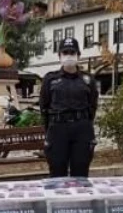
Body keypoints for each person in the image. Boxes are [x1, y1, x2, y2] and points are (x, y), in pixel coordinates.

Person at [39, 37, 99, 178]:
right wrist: (50, 129)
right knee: (57, 172)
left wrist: (84, 124)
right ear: (59, 56)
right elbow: (44, 106)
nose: (69, 56)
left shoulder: (88, 80)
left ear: (78, 55)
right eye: (65, 53)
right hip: (58, 129)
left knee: (81, 172)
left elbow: (93, 106)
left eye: (72, 53)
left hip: (82, 129)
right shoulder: (50, 79)